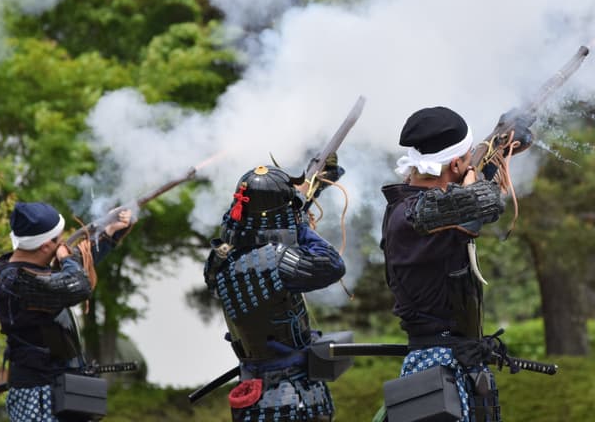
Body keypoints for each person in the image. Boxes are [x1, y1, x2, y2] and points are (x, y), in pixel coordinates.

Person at [380, 106, 530, 422]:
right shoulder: (412, 214)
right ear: (456, 164)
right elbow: (483, 202)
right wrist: (478, 169)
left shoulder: (430, 205)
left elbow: (464, 201)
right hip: (434, 368)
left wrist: (502, 146)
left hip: (457, 363)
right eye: (466, 158)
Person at [203, 163, 346, 422]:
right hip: (294, 394)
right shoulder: (276, 261)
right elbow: (333, 265)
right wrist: (300, 222)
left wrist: (309, 194)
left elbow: (253, 234)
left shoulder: (219, 259)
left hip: (253, 388)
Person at [0, 201, 132, 421]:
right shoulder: (17, 282)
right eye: (58, 241)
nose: (63, 244)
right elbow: (78, 284)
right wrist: (66, 258)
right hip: (38, 395)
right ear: (45, 246)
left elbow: (79, 262)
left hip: (59, 387)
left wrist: (109, 231)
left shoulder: (34, 269)